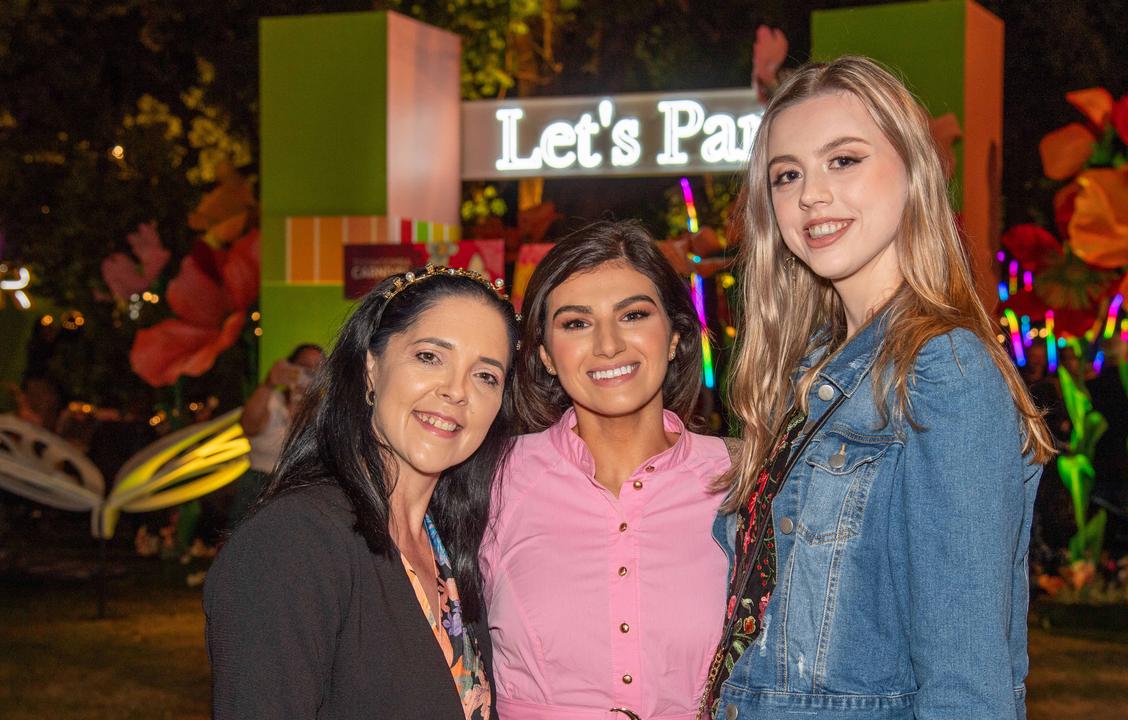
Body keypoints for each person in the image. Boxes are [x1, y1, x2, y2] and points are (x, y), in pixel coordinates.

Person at [701, 57, 1054, 719]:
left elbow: (967, 677)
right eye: (787, 174)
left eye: (844, 160)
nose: (810, 196)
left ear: (914, 172)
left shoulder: (942, 370)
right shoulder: (807, 376)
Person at [204, 266, 519, 719]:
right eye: (430, 356)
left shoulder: (450, 545)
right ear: (371, 368)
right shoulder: (294, 542)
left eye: (485, 376)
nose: (456, 391)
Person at [482, 221, 732, 720]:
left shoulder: (744, 478)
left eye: (633, 314)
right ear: (546, 356)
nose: (609, 345)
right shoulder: (490, 478)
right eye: (576, 323)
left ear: (678, 335)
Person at [227, 343, 325, 525]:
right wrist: (269, 383)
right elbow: (249, 425)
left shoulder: (323, 416)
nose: (309, 374)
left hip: (300, 494)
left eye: (317, 370)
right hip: (258, 488)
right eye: (303, 367)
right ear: (291, 367)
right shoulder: (272, 402)